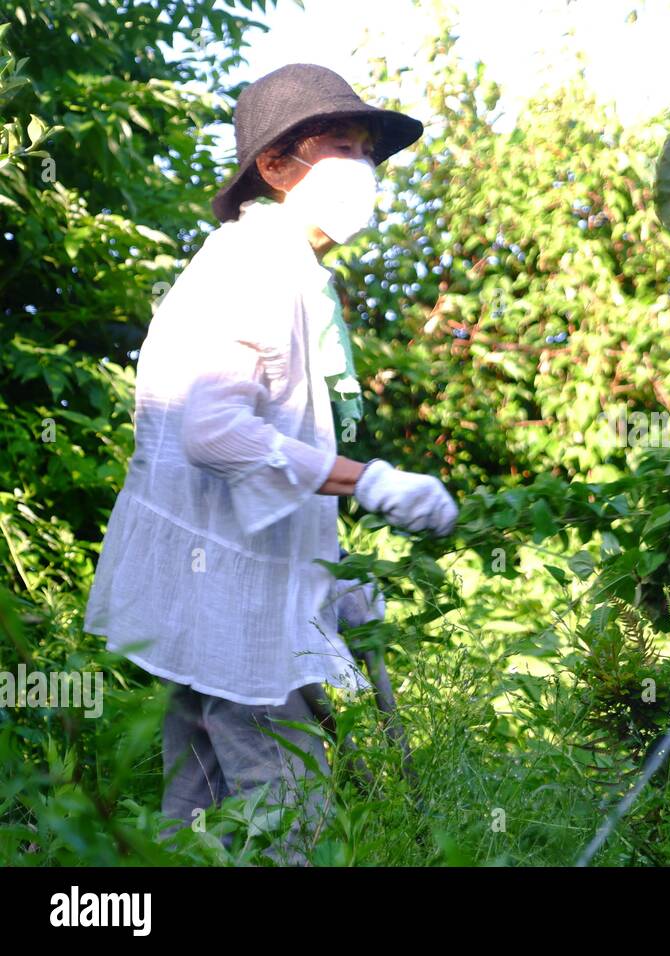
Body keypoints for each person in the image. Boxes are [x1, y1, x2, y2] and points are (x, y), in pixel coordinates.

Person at [82, 63, 456, 865]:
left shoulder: (283, 270)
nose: (360, 168)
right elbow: (215, 433)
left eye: (366, 150)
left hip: (221, 590)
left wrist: (327, 566)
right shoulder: (254, 268)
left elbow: (268, 435)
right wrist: (374, 482)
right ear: (277, 168)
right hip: (233, 602)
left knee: (195, 814)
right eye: (337, 147)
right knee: (289, 820)